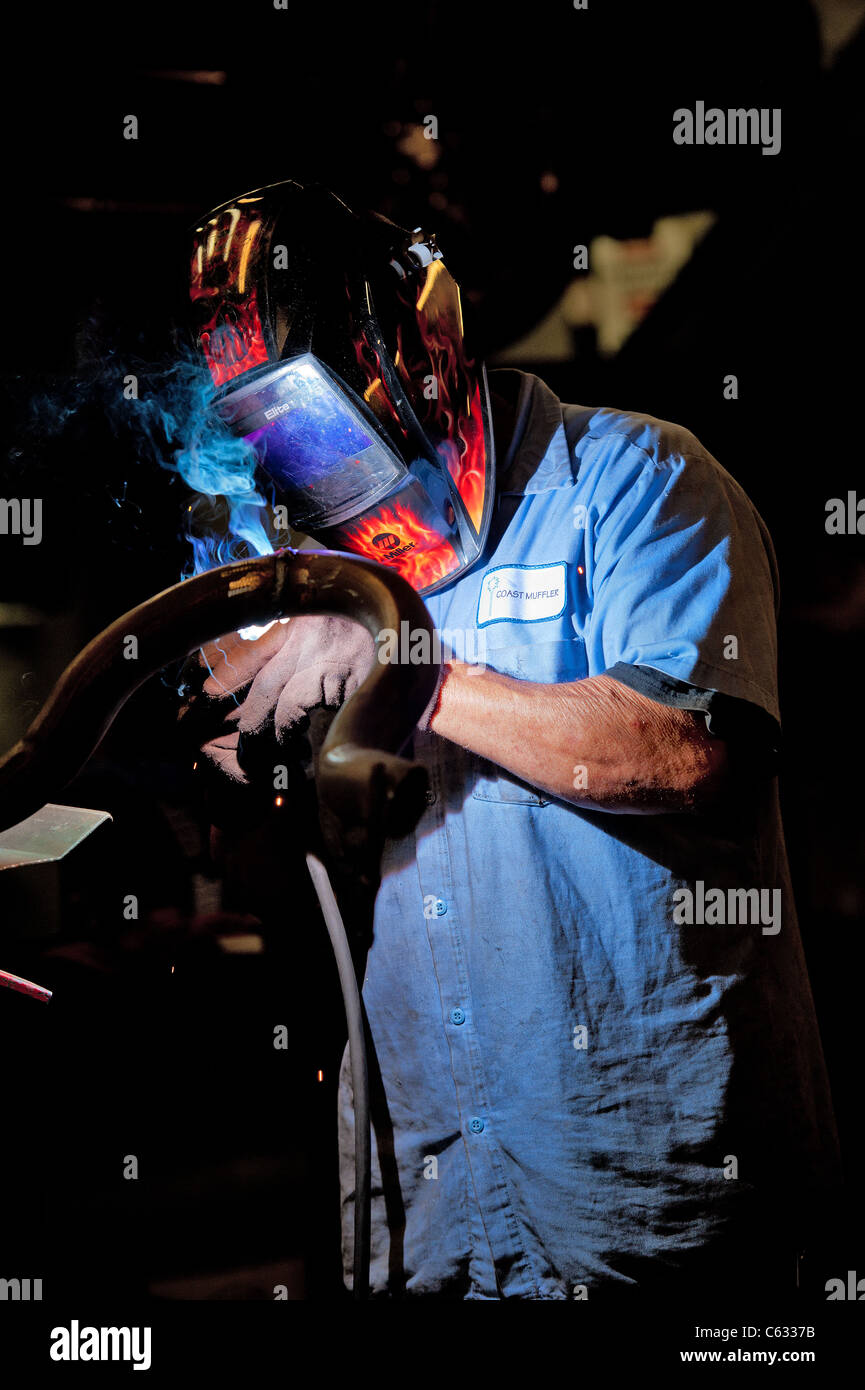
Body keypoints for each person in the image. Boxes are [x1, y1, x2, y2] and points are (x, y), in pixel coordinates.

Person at [187, 180, 840, 1299]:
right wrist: (246, 755)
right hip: (431, 1221)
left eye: (316, 414)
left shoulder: (643, 483)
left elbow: (687, 749)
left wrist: (411, 677)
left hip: (652, 1216)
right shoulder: (312, 571)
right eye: (272, 431)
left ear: (413, 346)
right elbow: (283, 872)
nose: (310, 463)